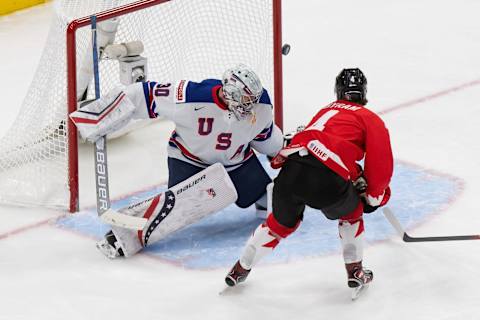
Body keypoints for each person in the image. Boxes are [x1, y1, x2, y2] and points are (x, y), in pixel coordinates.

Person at [70, 64, 283, 258]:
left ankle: (261, 196)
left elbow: (265, 138)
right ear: (229, 95)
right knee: (177, 207)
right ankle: (123, 236)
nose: (250, 107)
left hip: (236, 162)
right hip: (189, 159)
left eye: (251, 100)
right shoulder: (189, 97)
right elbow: (142, 94)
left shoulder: (261, 105)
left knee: (266, 196)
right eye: (245, 101)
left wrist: (280, 149)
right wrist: (95, 117)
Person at [225, 68, 393, 296]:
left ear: (338, 92)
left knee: (278, 225)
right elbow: (380, 166)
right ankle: (355, 271)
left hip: (291, 167)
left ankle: (239, 269)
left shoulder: (325, 111)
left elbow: (317, 142)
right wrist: (374, 197)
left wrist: (355, 175)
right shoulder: (369, 118)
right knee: (351, 214)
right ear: (363, 93)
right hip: (327, 178)